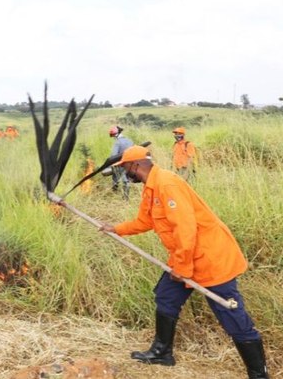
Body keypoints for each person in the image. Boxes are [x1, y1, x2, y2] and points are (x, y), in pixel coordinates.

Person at [100, 146, 268, 378]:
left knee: (231, 315)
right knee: (166, 296)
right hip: (185, 256)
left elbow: (186, 230)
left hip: (211, 259)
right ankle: (162, 352)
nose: (125, 173)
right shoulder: (152, 187)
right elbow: (144, 221)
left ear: (135, 165)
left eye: (126, 168)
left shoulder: (167, 185)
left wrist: (182, 268)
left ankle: (259, 374)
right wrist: (116, 229)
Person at [108, 126, 133, 199]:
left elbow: (113, 155)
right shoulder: (129, 140)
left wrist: (109, 165)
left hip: (121, 164)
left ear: (115, 135)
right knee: (127, 179)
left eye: (113, 136)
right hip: (131, 163)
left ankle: (122, 196)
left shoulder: (117, 143)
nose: (113, 138)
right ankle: (125, 196)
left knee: (119, 178)